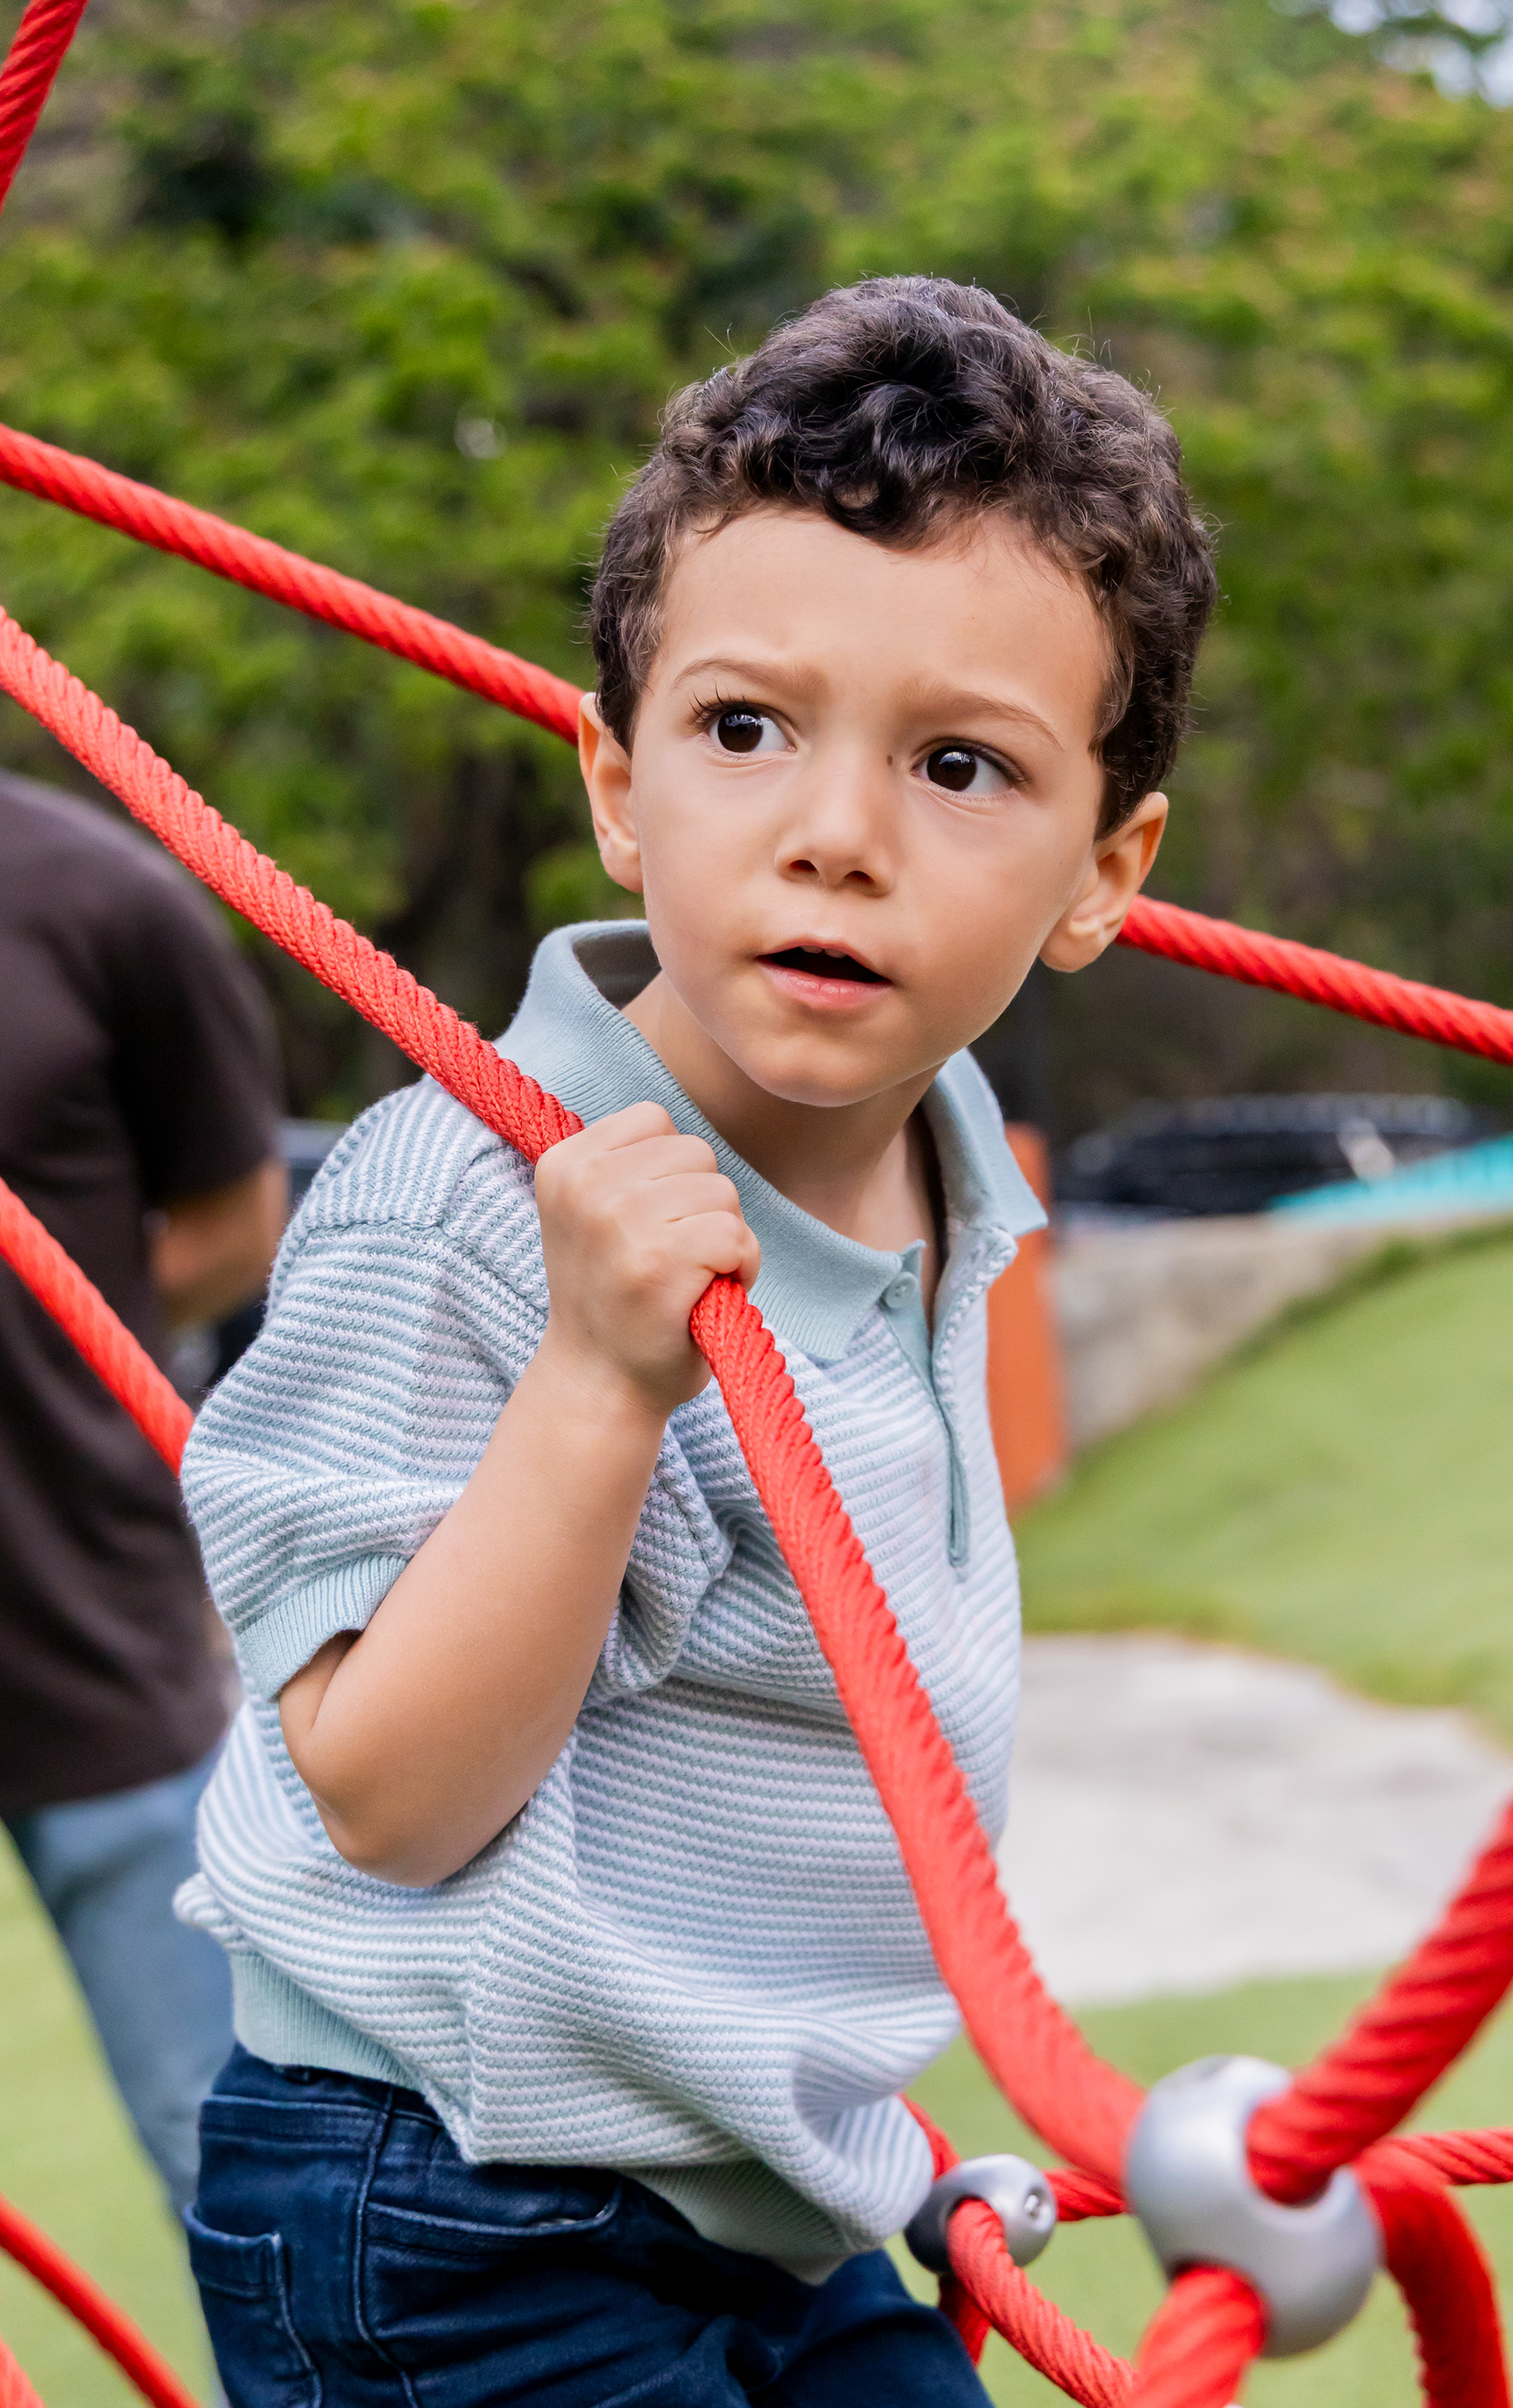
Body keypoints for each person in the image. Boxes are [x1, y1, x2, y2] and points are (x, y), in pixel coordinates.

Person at [176, 277, 1217, 2403]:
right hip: (444, 2201)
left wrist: (836, 2119)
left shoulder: (948, 1165)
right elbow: (380, 1795)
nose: (836, 832)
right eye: (746, 730)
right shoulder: (464, 1195)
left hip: (767, 2197)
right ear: (618, 784)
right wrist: (597, 1384)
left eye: (959, 765)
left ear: (1105, 873)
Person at [0, 765, 286, 2217]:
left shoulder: (100, 899)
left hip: (85, 1622)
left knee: (236, 2155)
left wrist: (56, 1342)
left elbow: (235, 1219)